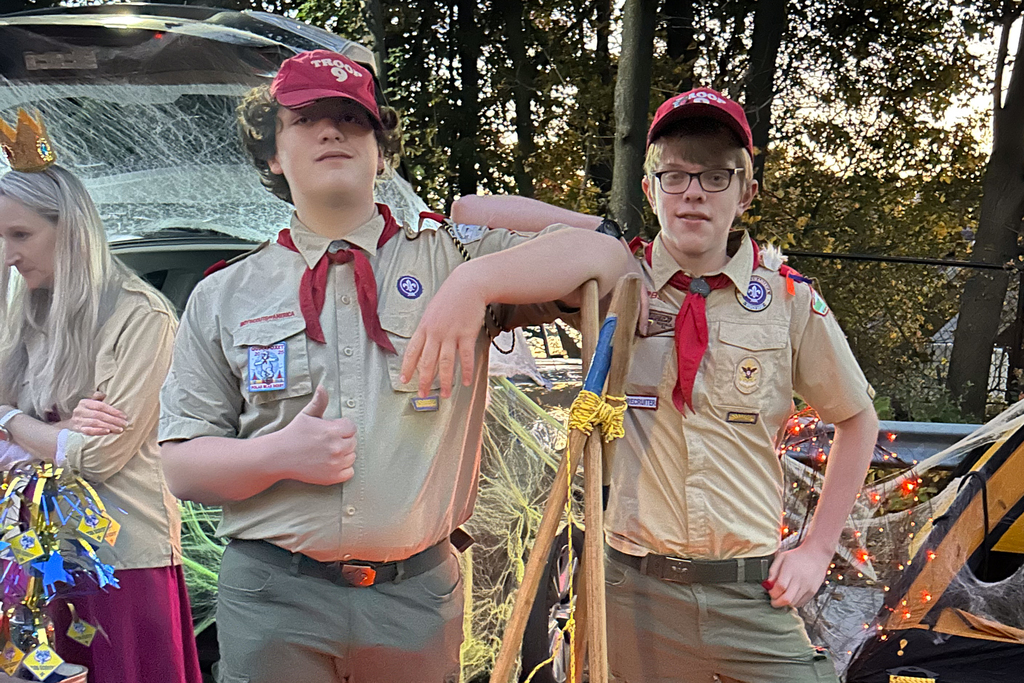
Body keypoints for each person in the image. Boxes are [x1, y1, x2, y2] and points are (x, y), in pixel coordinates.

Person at [157, 50, 631, 683]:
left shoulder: (451, 258)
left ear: (381, 152)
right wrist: (278, 456)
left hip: (416, 601)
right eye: (306, 119)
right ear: (272, 152)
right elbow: (183, 465)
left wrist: (475, 283)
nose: (332, 131)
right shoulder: (224, 295)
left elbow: (608, 259)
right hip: (274, 600)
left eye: (352, 120)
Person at [452, 88, 879, 683]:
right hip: (630, 593)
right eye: (674, 175)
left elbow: (858, 420)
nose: (695, 192)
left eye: (715, 175)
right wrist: (598, 231)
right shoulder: (604, 279)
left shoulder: (786, 299)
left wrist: (818, 548)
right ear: (649, 189)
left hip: (749, 595)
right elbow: (467, 212)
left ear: (746, 192)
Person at [0, 110, 201, 683]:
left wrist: (14, 420)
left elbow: (98, 458)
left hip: (121, 561)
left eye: (20, 235)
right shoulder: (28, 315)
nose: (8, 255)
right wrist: (52, 433)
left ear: (71, 229)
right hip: (37, 563)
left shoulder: (139, 317)